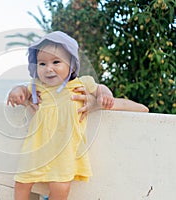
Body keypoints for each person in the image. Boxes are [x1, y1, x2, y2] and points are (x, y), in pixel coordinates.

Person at [7, 31, 115, 200]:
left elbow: (100, 88)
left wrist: (105, 95)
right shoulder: (37, 86)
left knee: (60, 187)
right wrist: (16, 92)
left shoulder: (81, 84)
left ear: (71, 65)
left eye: (56, 62)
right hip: (35, 148)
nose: (48, 69)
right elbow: (22, 89)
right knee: (21, 183)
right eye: (42, 64)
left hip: (64, 151)